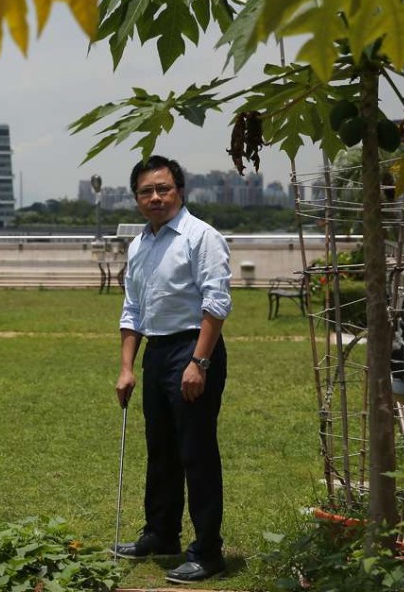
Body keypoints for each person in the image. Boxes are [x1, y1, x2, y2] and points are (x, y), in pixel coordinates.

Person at [110, 155, 232, 585]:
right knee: (160, 449)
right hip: (156, 353)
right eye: (146, 191)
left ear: (180, 191)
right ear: (137, 199)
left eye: (163, 188)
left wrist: (199, 362)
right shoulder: (139, 244)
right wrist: (127, 368)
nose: (155, 197)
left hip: (193, 349)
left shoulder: (202, 237)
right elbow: (133, 310)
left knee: (195, 452)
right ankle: (161, 533)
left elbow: (216, 305)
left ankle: (208, 550)